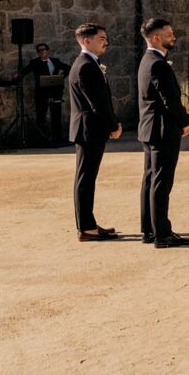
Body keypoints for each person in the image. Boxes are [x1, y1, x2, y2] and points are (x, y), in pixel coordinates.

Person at [135, 17, 189, 247]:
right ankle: (162, 234)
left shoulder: (146, 60)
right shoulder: (157, 63)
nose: (173, 36)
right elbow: (169, 99)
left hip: (149, 129)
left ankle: (149, 230)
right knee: (161, 182)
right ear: (156, 37)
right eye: (169, 33)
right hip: (162, 129)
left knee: (150, 180)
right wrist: (184, 122)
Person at [65, 23, 121, 240]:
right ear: (87, 41)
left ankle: (89, 224)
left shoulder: (90, 63)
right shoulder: (86, 66)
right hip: (89, 129)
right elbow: (97, 102)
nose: (105, 42)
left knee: (87, 177)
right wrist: (113, 125)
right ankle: (87, 228)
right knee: (85, 178)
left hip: (90, 128)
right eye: (101, 38)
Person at [20, 43, 68, 137]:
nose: (42, 52)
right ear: (38, 53)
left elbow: (68, 68)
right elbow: (25, 71)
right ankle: (42, 138)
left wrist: (61, 77)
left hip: (55, 91)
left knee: (56, 114)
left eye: (43, 49)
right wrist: (17, 76)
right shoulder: (35, 62)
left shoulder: (55, 61)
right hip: (42, 92)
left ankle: (57, 137)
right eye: (39, 50)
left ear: (47, 50)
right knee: (41, 114)